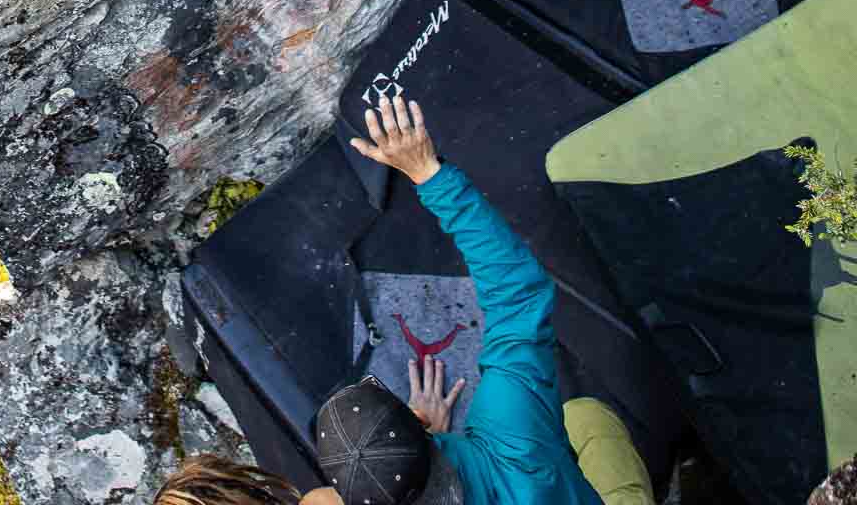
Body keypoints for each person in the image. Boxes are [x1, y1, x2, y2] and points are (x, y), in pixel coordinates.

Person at [154, 96, 655, 505]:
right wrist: (429, 174)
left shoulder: (331, 502)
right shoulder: (512, 432)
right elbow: (518, 291)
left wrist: (412, 448)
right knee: (587, 416)